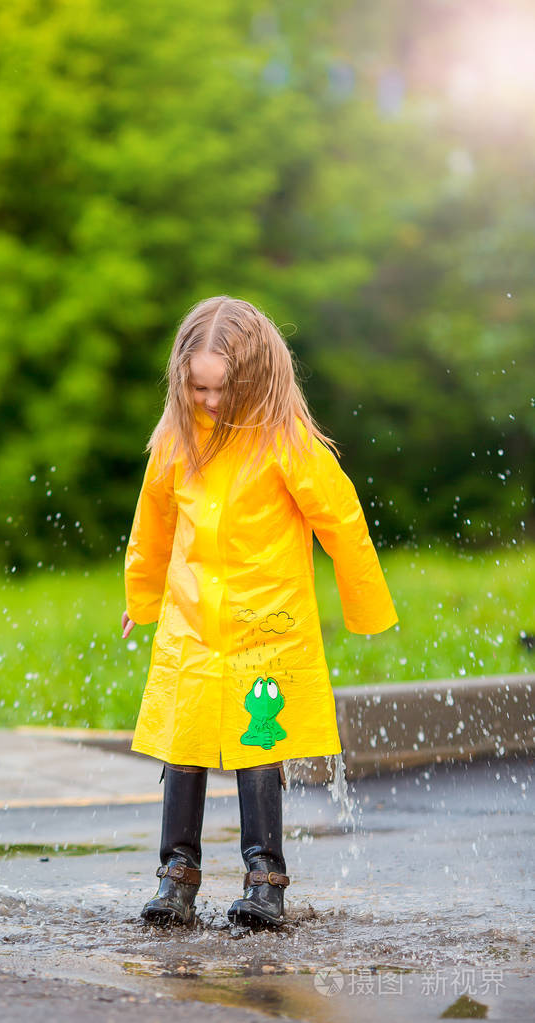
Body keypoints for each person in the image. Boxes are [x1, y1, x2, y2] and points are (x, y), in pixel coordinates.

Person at [121, 295, 398, 928]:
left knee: (258, 745)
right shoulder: (175, 441)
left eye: (223, 389)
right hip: (192, 626)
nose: (211, 401)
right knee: (181, 745)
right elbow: (153, 526)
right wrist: (142, 598)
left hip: (263, 630)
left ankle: (265, 881)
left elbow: (342, 520)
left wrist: (366, 607)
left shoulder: (287, 443)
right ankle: (177, 877)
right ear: (180, 381)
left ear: (256, 379)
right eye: (198, 388)